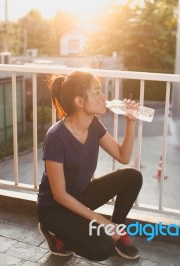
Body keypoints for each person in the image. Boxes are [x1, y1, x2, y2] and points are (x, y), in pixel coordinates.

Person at [37, 71, 143, 261]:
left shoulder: (93, 124)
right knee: (102, 249)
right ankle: (54, 232)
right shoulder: (56, 137)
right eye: (97, 92)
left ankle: (117, 231)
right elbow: (60, 195)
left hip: (80, 196)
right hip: (55, 208)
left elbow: (123, 156)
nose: (104, 97)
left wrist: (130, 121)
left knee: (133, 177)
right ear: (79, 101)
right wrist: (101, 220)